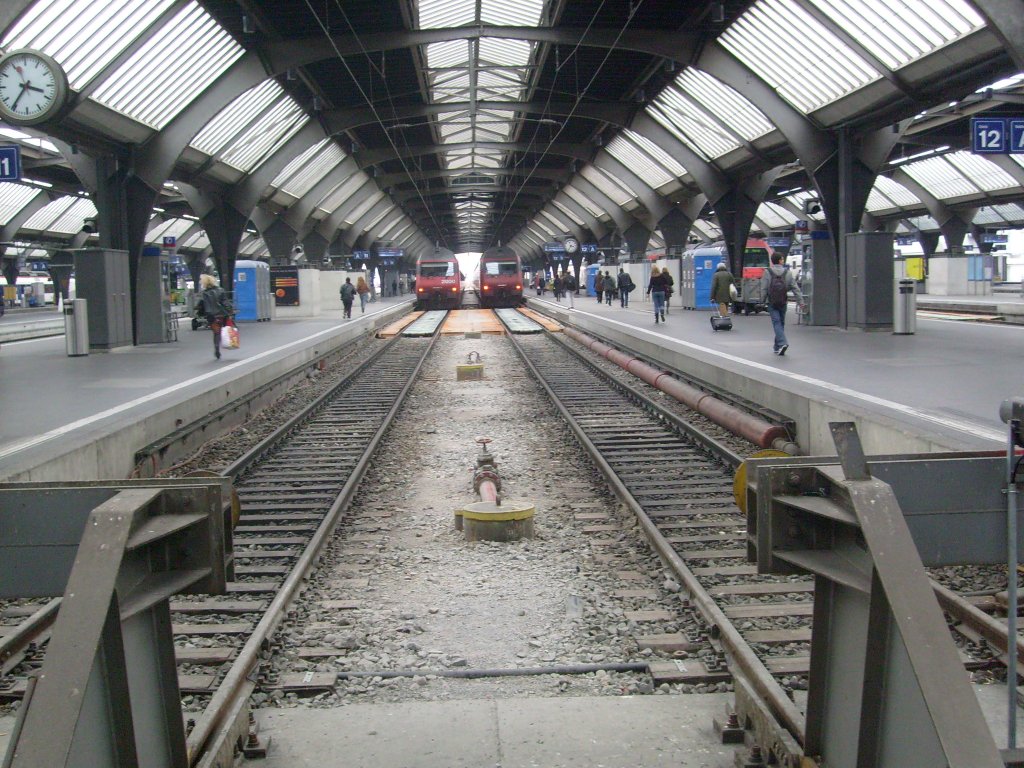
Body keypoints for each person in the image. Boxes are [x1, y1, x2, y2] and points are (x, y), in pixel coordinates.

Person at [761, 253, 805, 356]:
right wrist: (801, 302)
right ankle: (777, 346)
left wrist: (762, 301)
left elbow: (764, 288)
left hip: (772, 302)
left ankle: (782, 343)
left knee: (776, 323)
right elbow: (795, 288)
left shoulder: (767, 272)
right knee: (781, 323)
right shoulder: (787, 273)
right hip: (783, 301)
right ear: (780, 260)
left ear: (772, 261)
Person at [199, 273, 231, 359]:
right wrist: (229, 311)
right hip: (222, 314)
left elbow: (204, 305)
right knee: (225, 330)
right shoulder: (221, 290)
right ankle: (227, 342)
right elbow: (225, 302)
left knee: (216, 333)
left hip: (212, 316)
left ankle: (217, 348)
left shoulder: (204, 293)